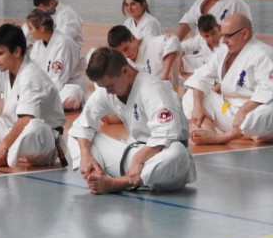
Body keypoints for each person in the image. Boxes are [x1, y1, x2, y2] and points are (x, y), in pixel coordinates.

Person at [67, 47, 196, 194]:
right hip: (133, 158)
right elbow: (82, 124)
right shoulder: (108, 90)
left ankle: (116, 183)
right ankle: (98, 177)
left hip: (163, 165)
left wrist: (138, 159)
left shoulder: (153, 89)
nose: (108, 91)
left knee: (178, 152)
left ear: (125, 71)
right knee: (77, 136)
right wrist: (86, 155)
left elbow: (167, 135)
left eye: (110, 86)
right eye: (104, 87)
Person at [0, 23, 68, 168]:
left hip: (43, 142)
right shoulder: (1, 71)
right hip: (13, 133)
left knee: (34, 126)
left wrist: (3, 146)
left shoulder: (31, 76)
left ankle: (2, 155)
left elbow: (26, 119)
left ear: (17, 51)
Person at [182, 13, 273, 145]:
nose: (223, 40)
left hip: (251, 111)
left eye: (228, 36)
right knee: (192, 94)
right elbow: (200, 77)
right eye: (222, 35)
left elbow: (268, 90)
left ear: (244, 33)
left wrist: (243, 111)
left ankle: (223, 137)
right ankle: (209, 131)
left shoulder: (263, 54)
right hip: (228, 111)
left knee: (266, 112)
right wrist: (198, 106)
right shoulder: (223, 51)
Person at [25, 9, 88, 111]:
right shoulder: (38, 44)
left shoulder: (63, 43)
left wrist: (38, 94)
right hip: (45, 87)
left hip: (66, 85)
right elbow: (33, 69)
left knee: (73, 94)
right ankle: (43, 103)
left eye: (31, 28)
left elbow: (59, 80)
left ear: (41, 28)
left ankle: (42, 103)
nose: (29, 32)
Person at [107, 24, 181, 90]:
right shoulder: (124, 61)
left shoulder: (151, 43)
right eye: (121, 52)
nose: (125, 55)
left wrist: (164, 76)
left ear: (133, 38)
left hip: (171, 91)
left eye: (126, 49)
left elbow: (173, 40)